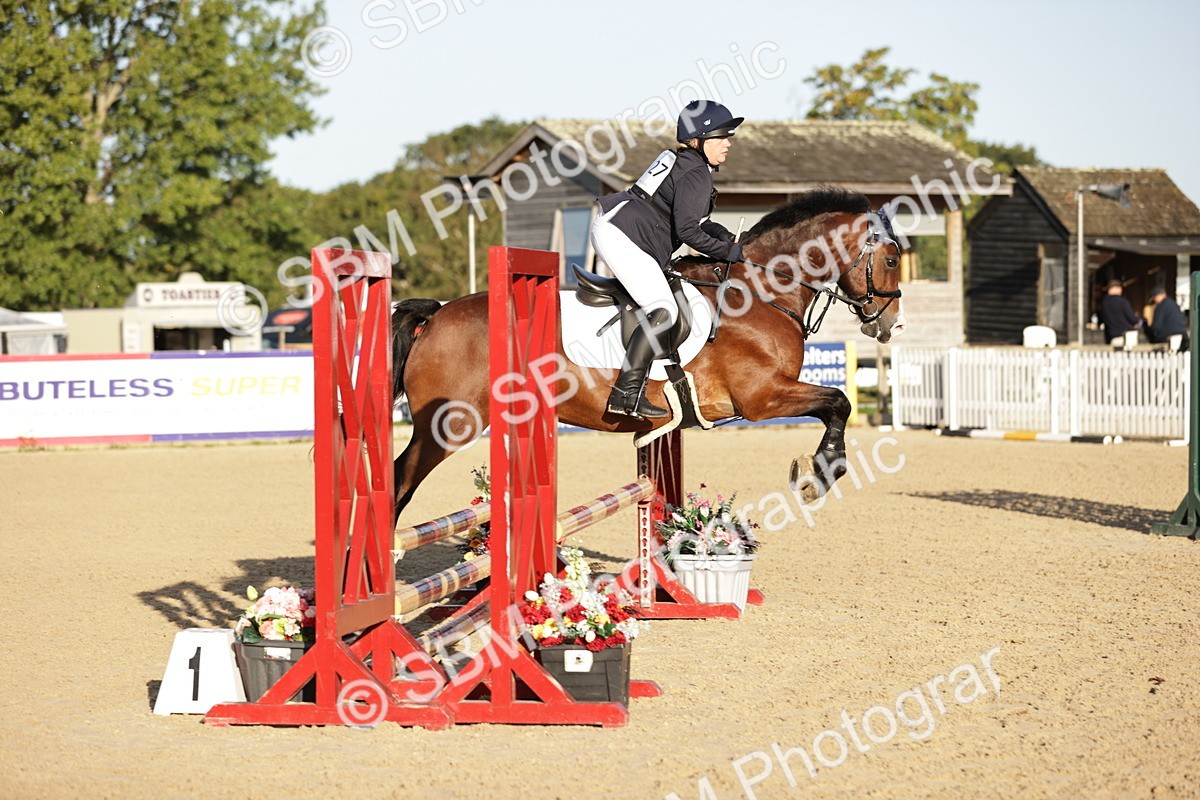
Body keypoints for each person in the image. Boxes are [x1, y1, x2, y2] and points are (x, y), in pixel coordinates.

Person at [589, 99, 745, 419]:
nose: (728, 144)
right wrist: (731, 253)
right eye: (722, 137)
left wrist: (723, 237)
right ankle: (626, 393)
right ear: (699, 140)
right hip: (623, 235)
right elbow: (688, 232)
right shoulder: (697, 172)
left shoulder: (681, 160)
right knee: (664, 308)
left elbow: (694, 222)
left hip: (617, 226)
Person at [1097, 278, 1142, 345]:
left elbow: (1101, 319)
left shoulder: (1104, 303)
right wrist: (1139, 320)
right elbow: (1132, 319)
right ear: (1116, 288)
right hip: (1126, 337)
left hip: (1112, 338)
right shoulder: (1122, 302)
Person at [1147, 284, 1189, 351]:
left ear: (1159, 295)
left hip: (1169, 336)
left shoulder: (1161, 306)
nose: (1154, 301)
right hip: (1182, 334)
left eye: (1154, 298)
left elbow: (1157, 326)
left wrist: (1150, 331)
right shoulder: (1173, 303)